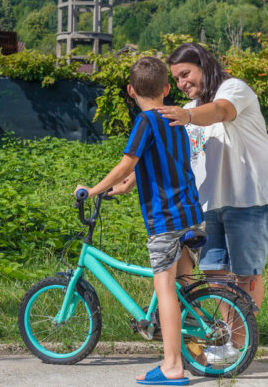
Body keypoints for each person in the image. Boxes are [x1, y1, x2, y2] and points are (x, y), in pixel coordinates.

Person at [158, 42, 268, 364]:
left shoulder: (234, 89)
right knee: (216, 275)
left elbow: (219, 111)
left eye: (186, 74)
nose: (182, 83)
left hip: (254, 197)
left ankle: (238, 346)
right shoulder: (191, 109)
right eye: (176, 79)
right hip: (215, 202)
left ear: (203, 65)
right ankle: (228, 345)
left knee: (244, 274)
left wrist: (188, 114)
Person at [75, 56, 203, 386]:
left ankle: (172, 365)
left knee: (166, 293)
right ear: (165, 88)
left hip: (165, 220)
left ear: (131, 91)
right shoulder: (176, 121)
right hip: (190, 214)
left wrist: (93, 190)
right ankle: (196, 349)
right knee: (184, 287)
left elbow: (126, 162)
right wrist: (128, 185)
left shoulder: (145, 122)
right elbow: (166, 163)